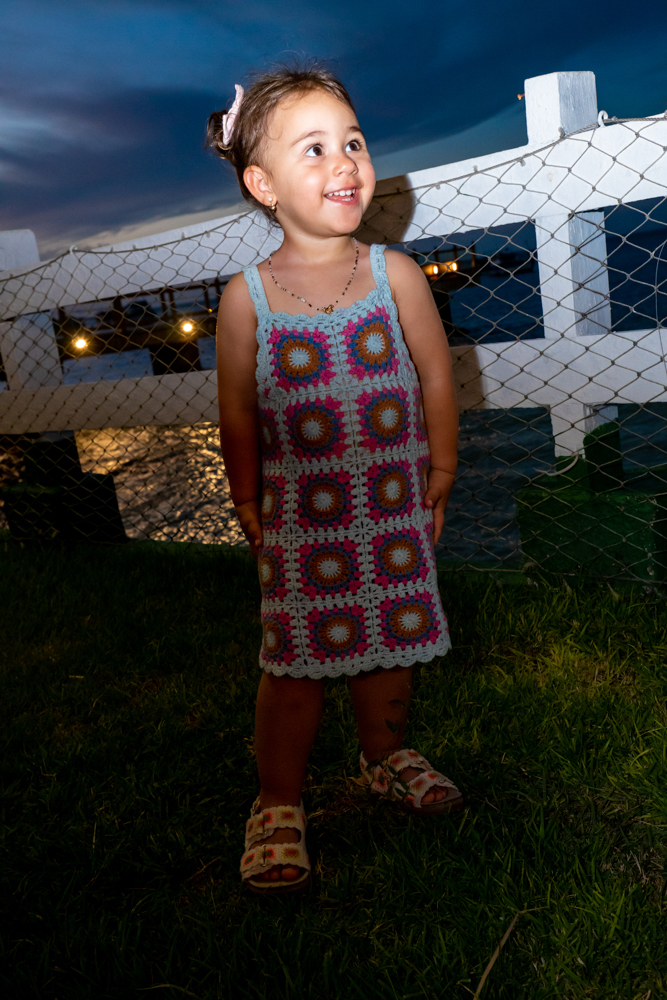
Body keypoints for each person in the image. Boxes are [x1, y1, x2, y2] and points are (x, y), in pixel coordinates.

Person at [207, 67, 462, 895]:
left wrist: (442, 466)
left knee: (393, 638)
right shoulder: (246, 300)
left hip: (391, 508)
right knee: (293, 663)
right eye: (313, 148)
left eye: (352, 140)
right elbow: (237, 412)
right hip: (300, 519)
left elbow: (434, 379)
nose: (345, 160)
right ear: (263, 184)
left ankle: (384, 753)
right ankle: (278, 798)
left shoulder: (395, 276)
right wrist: (244, 497)